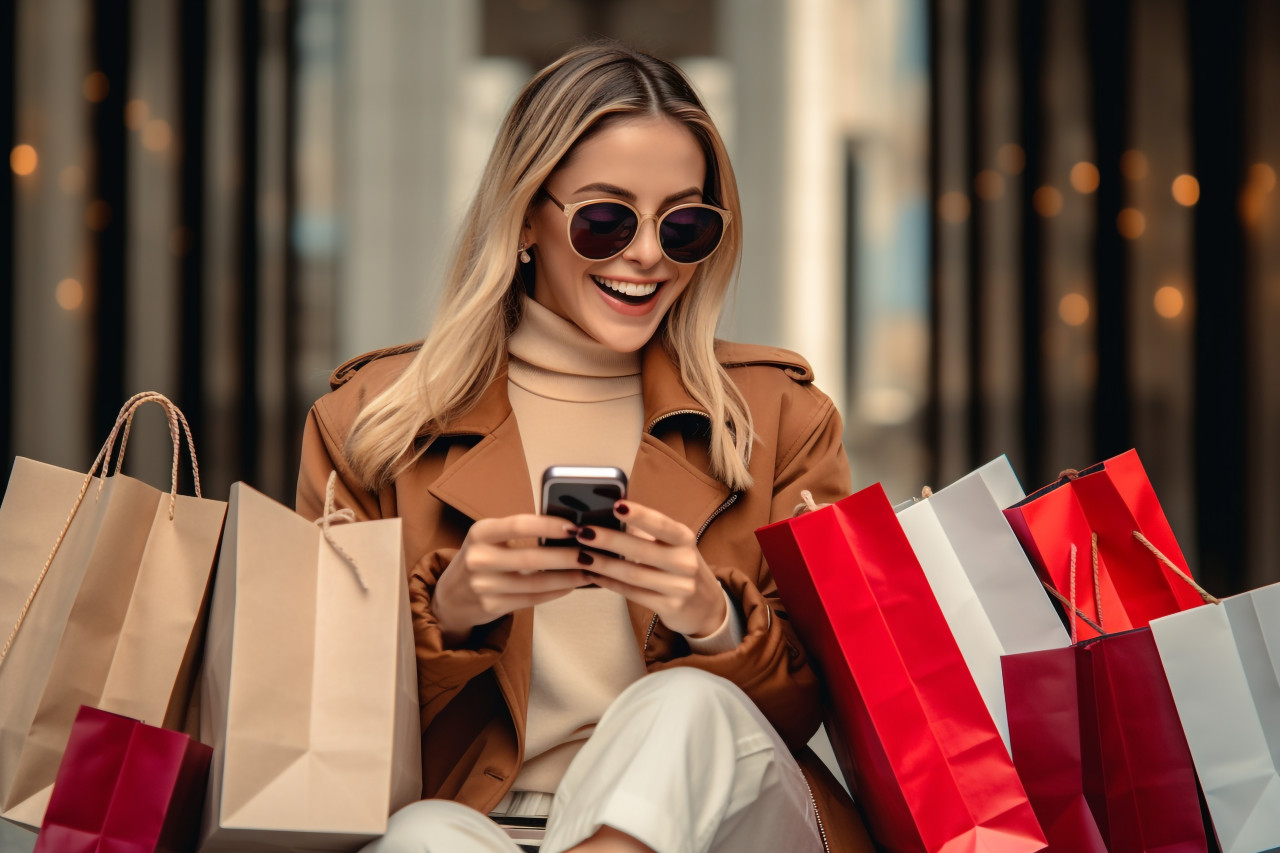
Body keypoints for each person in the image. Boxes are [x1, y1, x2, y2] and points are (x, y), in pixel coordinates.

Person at [296, 40, 872, 853]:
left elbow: (843, 707)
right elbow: (320, 721)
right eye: (606, 220)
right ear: (528, 215)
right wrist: (450, 613)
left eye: (685, 224)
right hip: (490, 824)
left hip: (732, 829)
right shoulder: (373, 421)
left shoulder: (780, 415)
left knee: (683, 707)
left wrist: (713, 619)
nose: (646, 254)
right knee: (419, 836)